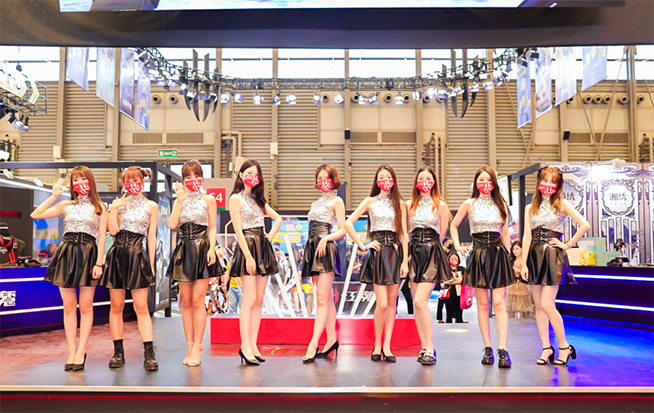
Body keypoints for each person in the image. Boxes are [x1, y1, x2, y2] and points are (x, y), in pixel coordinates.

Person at [30, 166, 108, 371]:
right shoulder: (65, 205)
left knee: (86, 306)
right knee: (69, 306)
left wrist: (99, 263)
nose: (79, 183)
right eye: (75, 180)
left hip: (89, 255)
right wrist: (54, 195)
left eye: (83, 179)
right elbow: (35, 214)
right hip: (67, 254)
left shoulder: (100, 207)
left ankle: (82, 350)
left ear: (90, 181)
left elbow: (102, 237)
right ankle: (71, 350)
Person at [521, 166, 590, 366]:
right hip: (534, 256)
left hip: (552, 256)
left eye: (553, 182)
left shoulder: (562, 204)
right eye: (545, 180)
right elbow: (527, 236)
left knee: (547, 304)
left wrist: (567, 244)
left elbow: (584, 224)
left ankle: (564, 346)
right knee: (538, 307)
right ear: (539, 182)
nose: (548, 184)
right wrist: (524, 263)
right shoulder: (529, 208)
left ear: (558, 185)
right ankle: (546, 348)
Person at [450, 166, 514, 368]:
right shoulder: (469, 203)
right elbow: (453, 225)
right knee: (483, 304)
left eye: (488, 179)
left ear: (493, 183)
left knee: (499, 303)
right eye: (481, 180)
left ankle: (503, 348)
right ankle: (487, 347)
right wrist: (457, 245)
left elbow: (505, 233)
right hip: (478, 255)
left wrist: (510, 257)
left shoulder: (501, 204)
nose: (485, 183)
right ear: (476, 183)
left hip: (498, 255)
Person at [345, 165, 409, 363]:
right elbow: (348, 222)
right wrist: (363, 245)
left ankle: (387, 345)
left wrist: (405, 261)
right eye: (381, 177)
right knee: (381, 304)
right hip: (378, 253)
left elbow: (404, 234)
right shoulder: (369, 201)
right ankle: (377, 344)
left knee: (392, 303)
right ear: (376, 180)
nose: (385, 180)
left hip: (395, 253)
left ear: (394, 180)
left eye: (388, 177)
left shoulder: (400, 203)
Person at [101, 167, 159, 371]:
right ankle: (118, 351)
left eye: (135, 180)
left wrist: (152, 263)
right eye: (127, 181)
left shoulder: (151, 206)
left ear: (142, 181)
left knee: (141, 306)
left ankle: (149, 352)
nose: (131, 184)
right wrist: (113, 209)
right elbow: (113, 231)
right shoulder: (118, 204)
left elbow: (151, 236)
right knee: (116, 306)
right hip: (117, 255)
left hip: (138, 255)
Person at [168, 160, 222, 367]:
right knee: (186, 302)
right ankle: (189, 346)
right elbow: (172, 224)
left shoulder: (209, 199)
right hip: (184, 249)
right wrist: (179, 201)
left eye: (196, 176)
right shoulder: (180, 200)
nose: (193, 180)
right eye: (188, 177)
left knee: (199, 300)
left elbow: (212, 227)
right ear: (183, 180)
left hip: (201, 249)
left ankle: (198, 346)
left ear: (202, 178)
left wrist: (211, 248)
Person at [229, 159, 282, 366]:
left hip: (262, 246)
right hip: (248, 248)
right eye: (249, 172)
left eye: (256, 173)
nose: (252, 176)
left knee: (259, 300)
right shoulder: (236, 198)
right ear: (241, 175)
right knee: (249, 299)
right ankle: (244, 345)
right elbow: (238, 230)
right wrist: (248, 256)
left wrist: (270, 236)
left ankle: (253, 344)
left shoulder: (259, 200)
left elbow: (278, 219)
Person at [301, 164, 346, 363]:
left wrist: (326, 239)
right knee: (326, 299)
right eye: (319, 178)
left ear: (333, 179)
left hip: (326, 248)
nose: (322, 181)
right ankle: (331, 340)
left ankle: (313, 344)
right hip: (313, 247)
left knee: (321, 298)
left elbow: (342, 229)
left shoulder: (337, 201)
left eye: (326, 178)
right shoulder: (315, 202)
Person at [406, 166, 451, 365]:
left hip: (432, 252)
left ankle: (430, 347)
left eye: (428, 178)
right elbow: (405, 232)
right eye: (421, 178)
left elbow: (442, 232)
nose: (425, 181)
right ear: (416, 182)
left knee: (419, 301)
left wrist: (431, 247)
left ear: (434, 182)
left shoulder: (441, 205)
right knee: (417, 304)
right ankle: (424, 346)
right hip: (414, 252)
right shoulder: (409, 205)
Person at [506, 241, 535, 319]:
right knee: (511, 307)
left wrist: (519, 271)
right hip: (512, 286)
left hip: (523, 285)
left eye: (517, 249)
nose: (515, 251)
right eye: (513, 249)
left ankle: (525, 322)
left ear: (522, 249)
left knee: (524, 307)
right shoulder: (512, 260)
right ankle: (511, 322)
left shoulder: (526, 261)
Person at [445, 252, 466, 323]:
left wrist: (452, 281)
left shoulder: (462, 269)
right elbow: (444, 281)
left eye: (455, 258)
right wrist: (457, 280)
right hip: (449, 292)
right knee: (449, 310)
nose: (454, 260)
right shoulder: (446, 269)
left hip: (460, 292)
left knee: (459, 309)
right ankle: (448, 322)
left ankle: (459, 320)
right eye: (452, 258)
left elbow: (463, 280)